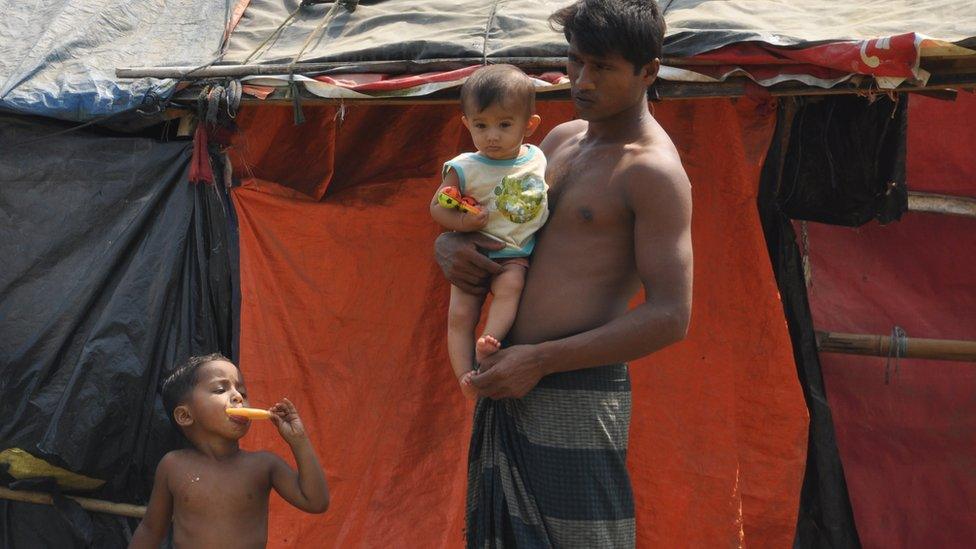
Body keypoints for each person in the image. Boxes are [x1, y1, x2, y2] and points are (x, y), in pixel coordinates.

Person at [434, 1, 692, 546]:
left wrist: (542, 359)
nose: (582, 79)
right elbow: (508, 236)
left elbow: (672, 316)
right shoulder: (555, 141)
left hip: (574, 390)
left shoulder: (651, 170)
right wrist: (452, 244)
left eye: (602, 67)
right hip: (506, 377)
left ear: (649, 71)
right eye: (575, 62)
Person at [430, 65, 549, 400]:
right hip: (473, 256)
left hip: (514, 255)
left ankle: (488, 344)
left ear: (530, 125)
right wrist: (463, 224)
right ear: (466, 123)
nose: (492, 136)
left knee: (511, 286)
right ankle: (464, 377)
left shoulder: (537, 159)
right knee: (459, 316)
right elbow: (438, 208)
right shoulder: (463, 167)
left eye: (504, 125)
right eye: (481, 126)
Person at [129, 354, 329, 548]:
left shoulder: (264, 465)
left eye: (243, 393)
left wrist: (299, 440)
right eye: (219, 389)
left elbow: (316, 501)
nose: (237, 397)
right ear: (185, 415)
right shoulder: (173, 466)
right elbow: (150, 530)